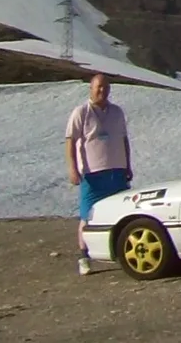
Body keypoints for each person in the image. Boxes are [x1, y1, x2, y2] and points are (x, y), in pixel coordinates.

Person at [65, 72, 131, 276]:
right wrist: (73, 168)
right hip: (93, 174)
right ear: (91, 89)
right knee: (87, 215)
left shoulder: (117, 112)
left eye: (106, 87)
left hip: (116, 171)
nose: (102, 91)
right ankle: (84, 255)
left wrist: (127, 165)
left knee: (122, 213)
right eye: (98, 87)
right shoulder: (81, 113)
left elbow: (123, 139)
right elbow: (70, 141)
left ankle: (119, 251)